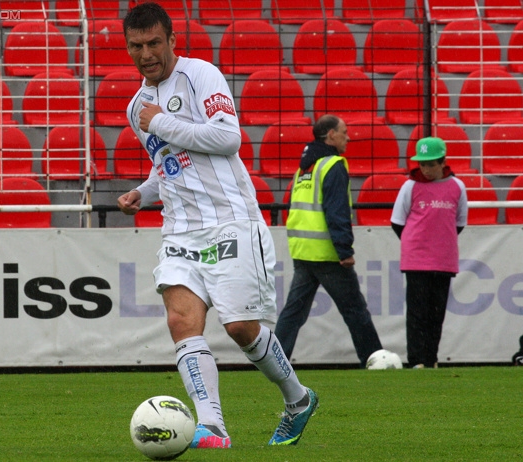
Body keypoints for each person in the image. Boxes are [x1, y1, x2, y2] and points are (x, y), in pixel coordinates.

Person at [117, 2, 318, 449]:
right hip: (180, 229)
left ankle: (298, 399)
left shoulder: (200, 75)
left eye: (154, 43)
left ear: (171, 40)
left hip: (230, 219)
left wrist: (164, 122)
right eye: (136, 46)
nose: (146, 53)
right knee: (180, 320)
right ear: (127, 47)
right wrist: (142, 193)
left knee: (240, 328)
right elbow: (168, 164)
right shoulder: (137, 107)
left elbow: (228, 138)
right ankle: (212, 428)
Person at [274, 115, 384, 368]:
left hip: (303, 251)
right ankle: (375, 359)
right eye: (344, 132)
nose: (349, 136)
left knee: (293, 313)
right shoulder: (333, 165)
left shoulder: (305, 167)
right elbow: (337, 212)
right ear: (331, 135)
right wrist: (344, 250)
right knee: (356, 311)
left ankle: (274, 361)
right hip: (328, 254)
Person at [390, 137, 468, 369]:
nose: (426, 169)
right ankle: (417, 360)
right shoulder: (410, 186)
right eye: (422, 164)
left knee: (436, 314)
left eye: (431, 164)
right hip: (416, 260)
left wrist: (438, 242)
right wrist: (418, 243)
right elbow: (398, 221)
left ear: (443, 162)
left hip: (443, 260)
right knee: (417, 313)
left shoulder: (457, 187)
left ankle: (431, 358)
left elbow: (459, 222)